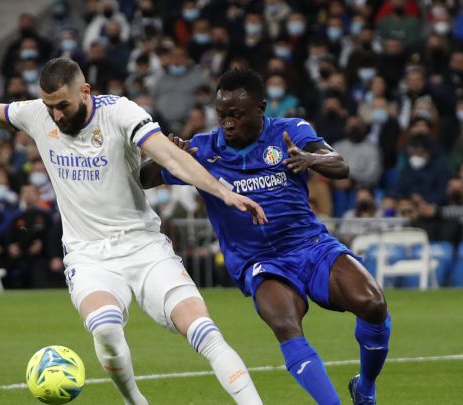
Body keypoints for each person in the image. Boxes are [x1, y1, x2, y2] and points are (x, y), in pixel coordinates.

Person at [0, 53, 265, 405]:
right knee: (106, 329)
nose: (56, 115)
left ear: (86, 91)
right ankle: (135, 401)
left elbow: (168, 155)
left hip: (144, 245)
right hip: (89, 255)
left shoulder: (120, 112)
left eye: (63, 105)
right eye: (50, 107)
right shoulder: (37, 115)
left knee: (203, 330)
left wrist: (222, 190)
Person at [140, 69, 391, 405]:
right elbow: (144, 179)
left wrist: (310, 158)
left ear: (260, 109)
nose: (227, 123)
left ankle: (365, 388)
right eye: (222, 115)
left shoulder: (290, 131)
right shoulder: (203, 150)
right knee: (286, 325)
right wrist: (163, 156)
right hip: (259, 261)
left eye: (236, 115)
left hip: (311, 246)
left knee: (372, 304)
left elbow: (340, 165)